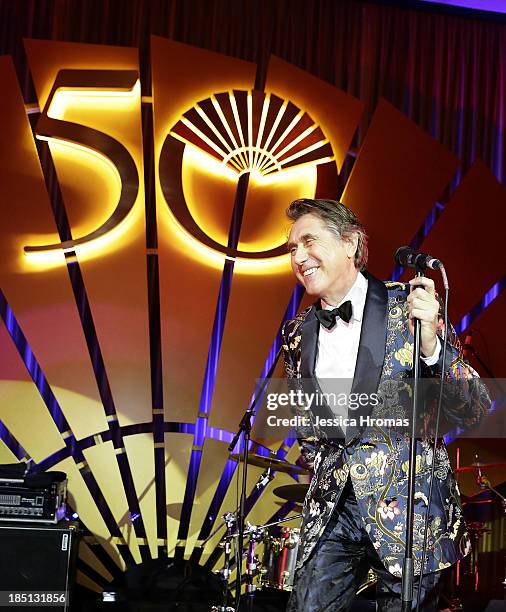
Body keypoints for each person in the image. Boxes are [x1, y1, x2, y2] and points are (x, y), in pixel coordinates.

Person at [280, 199, 490, 611]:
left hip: (409, 505)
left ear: (350, 243)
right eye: (291, 248)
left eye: (308, 241)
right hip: (333, 508)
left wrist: (431, 344)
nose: (298, 256)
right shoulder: (296, 331)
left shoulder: (409, 308)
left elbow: (473, 407)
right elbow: (305, 421)